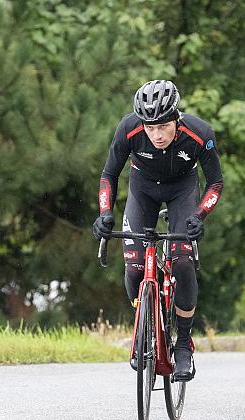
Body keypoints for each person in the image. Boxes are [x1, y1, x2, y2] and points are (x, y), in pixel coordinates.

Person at [93, 80, 223, 381]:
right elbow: (109, 174)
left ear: (176, 118)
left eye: (163, 126)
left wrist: (200, 216)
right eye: (150, 127)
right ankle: (145, 321)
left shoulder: (199, 133)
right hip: (143, 191)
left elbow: (215, 182)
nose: (156, 134)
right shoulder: (128, 129)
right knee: (135, 268)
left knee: (182, 261)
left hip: (183, 191)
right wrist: (104, 213)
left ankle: (183, 345)